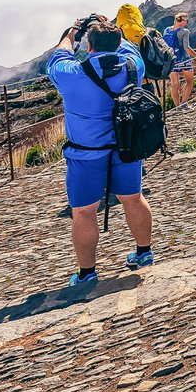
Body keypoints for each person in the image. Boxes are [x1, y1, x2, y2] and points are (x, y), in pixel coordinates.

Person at [46, 15, 155, 286]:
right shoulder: (134, 66)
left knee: (84, 211)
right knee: (133, 197)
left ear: (89, 47)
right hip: (126, 147)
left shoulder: (70, 74)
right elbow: (127, 44)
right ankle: (144, 253)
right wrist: (108, 26)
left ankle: (87, 273)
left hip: (86, 153)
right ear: (116, 42)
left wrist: (73, 31)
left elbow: (60, 53)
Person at [164, 12, 195, 109]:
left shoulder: (167, 30)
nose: (187, 22)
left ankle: (177, 107)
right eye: (187, 20)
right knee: (189, 81)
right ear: (184, 21)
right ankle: (184, 103)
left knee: (175, 84)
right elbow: (186, 48)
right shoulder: (184, 31)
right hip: (184, 59)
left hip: (171, 59)